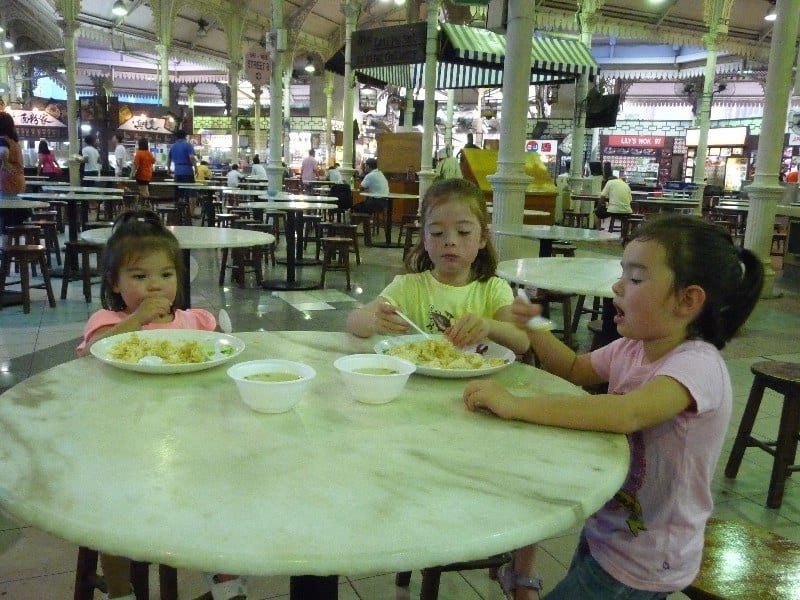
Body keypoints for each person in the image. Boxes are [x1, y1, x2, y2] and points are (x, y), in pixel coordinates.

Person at [463, 215, 764, 600]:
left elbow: (626, 413)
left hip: (649, 555)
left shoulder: (697, 364)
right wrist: (535, 324)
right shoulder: (632, 347)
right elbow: (574, 368)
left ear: (687, 300)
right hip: (610, 529)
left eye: (636, 279)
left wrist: (514, 405)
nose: (617, 287)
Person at [76, 210, 249, 600]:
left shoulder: (195, 321)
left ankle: (226, 584)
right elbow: (90, 357)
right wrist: (135, 320)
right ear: (115, 283)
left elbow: (223, 356)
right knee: (110, 509)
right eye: (140, 277)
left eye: (166, 275)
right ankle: (120, 591)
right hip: (126, 443)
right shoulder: (107, 321)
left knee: (225, 492)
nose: (155, 286)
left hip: (191, 439)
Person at [347, 178, 529, 355]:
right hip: (420, 384)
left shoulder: (493, 289)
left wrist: (489, 325)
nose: (450, 241)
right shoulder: (408, 286)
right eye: (437, 233)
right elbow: (354, 320)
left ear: (482, 238)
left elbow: (522, 342)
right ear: (425, 239)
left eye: (463, 232)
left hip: (478, 383)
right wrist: (375, 322)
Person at [0, 111, 30, 241]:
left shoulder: (3, 140)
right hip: (17, 183)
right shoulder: (13, 141)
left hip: (7, 184)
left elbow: (2, 153)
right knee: (12, 220)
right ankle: (12, 250)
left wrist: (5, 163)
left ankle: (6, 251)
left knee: (7, 220)